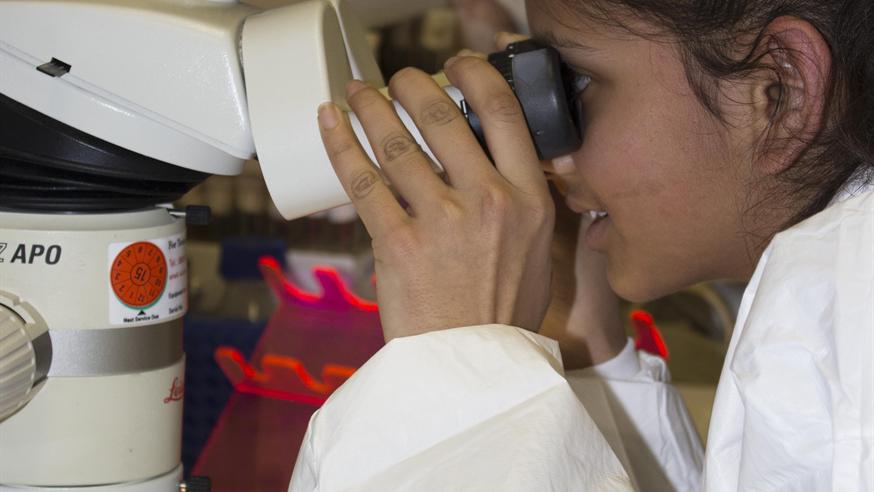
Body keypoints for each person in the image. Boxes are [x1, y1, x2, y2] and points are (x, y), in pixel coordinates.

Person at [291, 0, 873, 490]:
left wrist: (459, 371)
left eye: (579, 83)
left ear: (781, 91)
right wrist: (579, 340)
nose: (549, 154)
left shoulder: (829, 309)